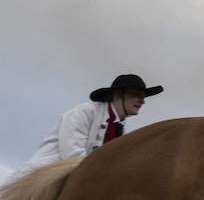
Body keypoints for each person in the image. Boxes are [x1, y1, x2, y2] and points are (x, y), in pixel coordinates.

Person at [17, 74, 163, 176]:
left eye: (143, 96)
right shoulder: (84, 112)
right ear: (119, 94)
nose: (142, 101)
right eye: (137, 94)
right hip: (36, 184)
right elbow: (72, 157)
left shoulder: (122, 132)